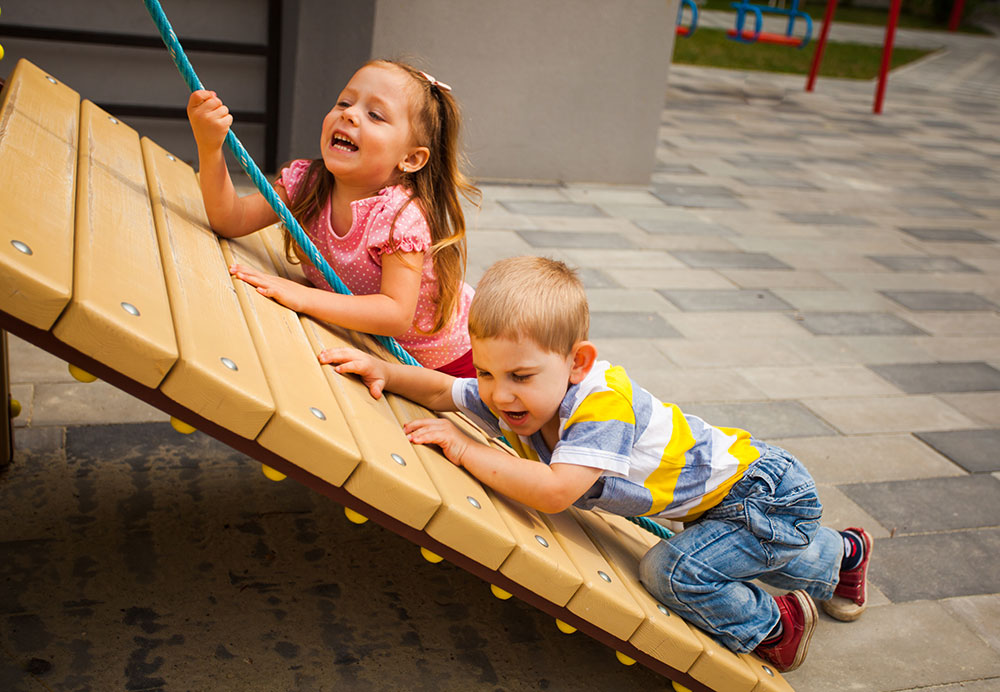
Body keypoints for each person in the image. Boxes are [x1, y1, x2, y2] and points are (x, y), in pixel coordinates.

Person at [318, 255, 873, 673]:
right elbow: (445, 390)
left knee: (673, 571)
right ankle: (845, 558)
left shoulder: (602, 404)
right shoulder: (519, 390)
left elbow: (557, 492)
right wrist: (385, 371)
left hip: (760, 491)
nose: (498, 394)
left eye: (519, 377)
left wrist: (467, 450)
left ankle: (777, 626)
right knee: (760, 542)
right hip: (731, 498)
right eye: (487, 372)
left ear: (577, 362)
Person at [186, 59, 479, 376]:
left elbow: (395, 313)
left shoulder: (399, 216)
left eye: (375, 115)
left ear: (410, 158)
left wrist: (303, 296)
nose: (349, 114)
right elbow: (232, 219)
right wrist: (210, 146)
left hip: (452, 359)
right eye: (345, 102)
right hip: (374, 348)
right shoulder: (308, 183)